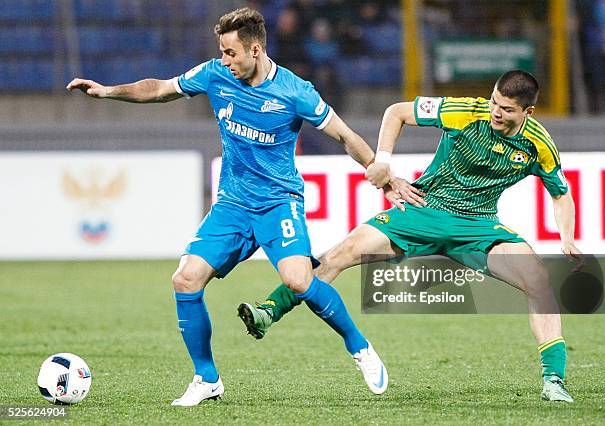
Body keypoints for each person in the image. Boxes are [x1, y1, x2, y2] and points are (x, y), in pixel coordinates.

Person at [66, 8, 400, 406]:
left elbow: (344, 135)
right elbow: (159, 88)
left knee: (298, 279)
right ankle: (206, 379)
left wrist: (382, 175)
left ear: (255, 49)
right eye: (221, 52)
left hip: (279, 203)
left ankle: (359, 347)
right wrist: (107, 91)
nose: (224, 61)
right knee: (185, 279)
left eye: (230, 53)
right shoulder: (215, 75)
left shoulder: (295, 92)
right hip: (233, 204)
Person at [238, 70, 584, 403]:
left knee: (538, 278)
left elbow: (560, 193)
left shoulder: (538, 144)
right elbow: (397, 112)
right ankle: (270, 310)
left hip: (477, 226)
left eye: (507, 109)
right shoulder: (464, 111)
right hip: (422, 210)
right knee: (342, 253)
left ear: (528, 111)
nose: (496, 111)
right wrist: (384, 161)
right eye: (494, 101)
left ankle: (553, 381)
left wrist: (566, 237)